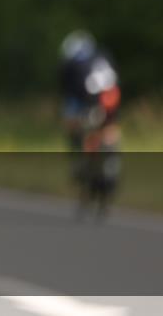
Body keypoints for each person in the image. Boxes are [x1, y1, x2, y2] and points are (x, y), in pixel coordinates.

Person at [59, 31, 122, 214]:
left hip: (90, 102)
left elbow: (69, 95)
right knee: (109, 130)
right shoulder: (103, 55)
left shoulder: (72, 65)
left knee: (78, 128)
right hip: (111, 100)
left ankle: (82, 162)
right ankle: (111, 161)